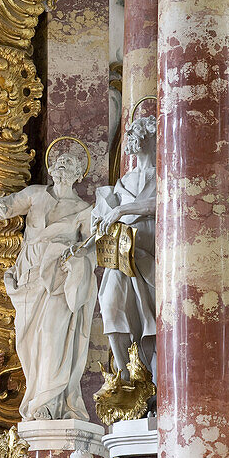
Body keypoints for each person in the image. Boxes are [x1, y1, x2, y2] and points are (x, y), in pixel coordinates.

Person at [0, 150, 98, 421]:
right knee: (28, 342)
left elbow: (91, 248)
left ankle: (49, 402)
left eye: (69, 162)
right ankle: (36, 395)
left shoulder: (84, 210)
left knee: (52, 336)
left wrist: (75, 259)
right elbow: (3, 206)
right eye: (59, 161)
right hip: (29, 277)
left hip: (59, 278)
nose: (63, 164)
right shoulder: (35, 194)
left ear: (80, 174)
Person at [91, 115, 158, 379]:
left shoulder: (163, 175)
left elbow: (158, 204)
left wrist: (122, 209)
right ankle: (123, 375)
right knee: (110, 304)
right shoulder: (124, 181)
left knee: (151, 316)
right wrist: (99, 219)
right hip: (121, 255)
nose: (132, 138)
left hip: (150, 254)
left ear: (152, 139)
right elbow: (103, 215)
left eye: (138, 133)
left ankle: (151, 378)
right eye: (130, 134)